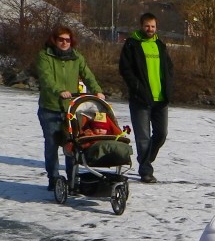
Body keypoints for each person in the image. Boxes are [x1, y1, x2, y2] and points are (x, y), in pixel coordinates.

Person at [36, 26, 105, 191]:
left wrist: (97, 91)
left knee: (73, 145)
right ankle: (53, 179)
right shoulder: (44, 56)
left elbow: (87, 74)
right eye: (61, 39)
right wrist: (59, 90)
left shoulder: (76, 57)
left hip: (71, 110)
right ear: (55, 40)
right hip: (50, 108)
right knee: (52, 144)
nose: (64, 42)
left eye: (67, 39)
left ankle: (72, 179)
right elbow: (46, 78)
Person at [118, 12, 173, 184]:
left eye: (153, 26)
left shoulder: (160, 45)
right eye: (147, 26)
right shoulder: (132, 45)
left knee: (161, 134)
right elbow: (125, 69)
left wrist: (169, 87)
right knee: (143, 137)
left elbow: (169, 68)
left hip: (160, 99)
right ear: (141, 26)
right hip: (140, 99)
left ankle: (146, 160)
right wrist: (136, 87)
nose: (150, 29)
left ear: (156, 27)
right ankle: (146, 171)